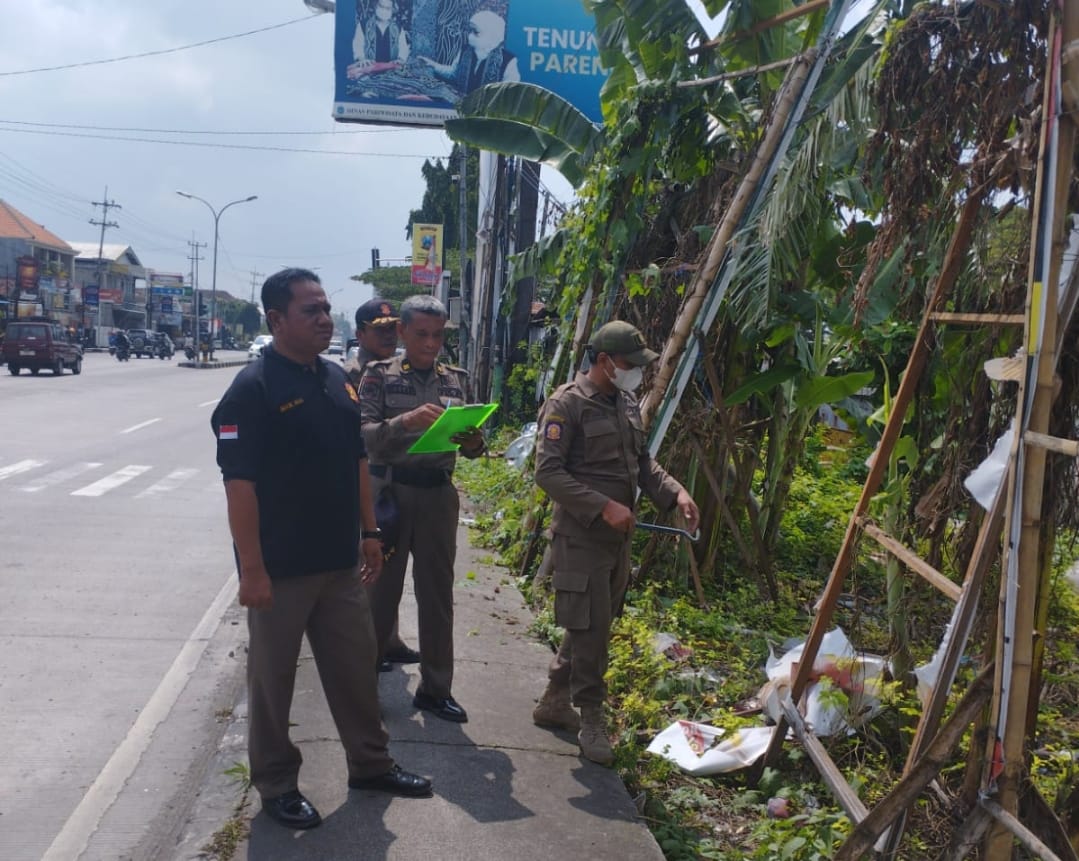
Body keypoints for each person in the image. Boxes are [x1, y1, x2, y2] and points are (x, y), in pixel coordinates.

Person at [211, 268, 432, 831]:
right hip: (280, 569)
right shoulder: (252, 389)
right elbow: (240, 486)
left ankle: (370, 763)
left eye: (326, 307)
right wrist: (252, 570)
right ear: (276, 319)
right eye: (309, 309)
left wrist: (368, 533)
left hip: (338, 563)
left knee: (356, 668)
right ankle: (278, 784)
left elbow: (357, 461)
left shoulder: (338, 382)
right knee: (272, 682)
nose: (323, 317)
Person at [532, 320, 700, 765]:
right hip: (581, 538)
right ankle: (591, 718)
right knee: (591, 633)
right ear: (604, 361)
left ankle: (553, 699)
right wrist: (603, 505)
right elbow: (547, 473)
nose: (636, 373)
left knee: (592, 623)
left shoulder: (625, 403)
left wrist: (676, 493)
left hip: (616, 541)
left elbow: (643, 464)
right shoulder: (566, 404)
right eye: (629, 365)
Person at [358, 294, 486, 723]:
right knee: (380, 593)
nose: (431, 344)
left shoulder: (456, 379)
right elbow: (362, 437)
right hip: (391, 496)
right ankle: (362, 689)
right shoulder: (378, 376)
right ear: (402, 333)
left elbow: (472, 446)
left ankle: (435, 688)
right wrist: (405, 422)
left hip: (437, 497)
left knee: (437, 595)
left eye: (438, 335)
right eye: (422, 335)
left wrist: (472, 442)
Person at [344, 298, 421, 672]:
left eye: (393, 328)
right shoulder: (350, 375)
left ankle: (388, 640)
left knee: (390, 566)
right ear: (360, 334)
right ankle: (363, 648)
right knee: (368, 568)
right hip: (365, 480)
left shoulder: (397, 370)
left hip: (394, 476)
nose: (389, 335)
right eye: (380, 329)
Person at [420, 6, 520, 97]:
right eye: (470, 30)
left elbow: (510, 93)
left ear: (491, 35)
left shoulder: (508, 60)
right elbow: (454, 74)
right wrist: (433, 65)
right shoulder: (465, 51)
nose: (470, 35)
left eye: (476, 32)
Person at [349, 0, 411, 79]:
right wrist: (361, 58)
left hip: (391, 71)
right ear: (375, 6)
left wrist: (401, 59)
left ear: (392, 10)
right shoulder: (363, 25)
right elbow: (358, 44)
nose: (384, 10)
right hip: (369, 70)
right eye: (381, 6)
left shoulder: (398, 28)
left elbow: (403, 47)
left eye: (388, 8)